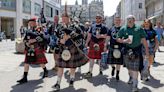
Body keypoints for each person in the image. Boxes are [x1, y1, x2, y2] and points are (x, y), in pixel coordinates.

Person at [53, 10, 89, 91]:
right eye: (63, 18)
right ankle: (58, 83)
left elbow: (81, 36)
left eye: (65, 18)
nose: (64, 20)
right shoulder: (59, 27)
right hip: (62, 48)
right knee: (60, 66)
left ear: (69, 18)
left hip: (72, 48)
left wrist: (71, 36)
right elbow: (55, 37)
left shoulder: (75, 27)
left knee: (72, 67)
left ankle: (72, 80)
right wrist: (60, 41)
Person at [117, 15, 149, 92]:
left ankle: (135, 86)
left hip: (136, 50)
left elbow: (144, 40)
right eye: (128, 19)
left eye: (131, 19)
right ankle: (131, 77)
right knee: (129, 68)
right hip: (127, 50)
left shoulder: (139, 28)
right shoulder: (123, 29)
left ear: (134, 20)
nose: (129, 21)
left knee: (135, 69)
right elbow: (118, 38)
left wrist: (147, 52)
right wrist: (124, 41)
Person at [17, 18, 48, 84]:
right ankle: (25, 78)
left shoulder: (39, 29)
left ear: (35, 22)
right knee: (26, 63)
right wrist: (26, 42)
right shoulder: (28, 30)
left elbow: (42, 38)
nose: (30, 24)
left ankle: (45, 70)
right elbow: (25, 39)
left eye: (31, 22)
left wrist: (33, 40)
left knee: (41, 63)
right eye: (29, 23)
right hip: (29, 49)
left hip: (37, 48)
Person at [105, 16, 123, 81]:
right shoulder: (111, 29)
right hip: (112, 46)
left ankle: (117, 74)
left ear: (120, 21)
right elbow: (108, 37)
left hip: (120, 47)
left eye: (118, 20)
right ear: (114, 21)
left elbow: (125, 38)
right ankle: (113, 67)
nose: (117, 21)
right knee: (111, 61)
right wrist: (105, 45)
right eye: (116, 20)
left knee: (118, 62)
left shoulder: (122, 29)